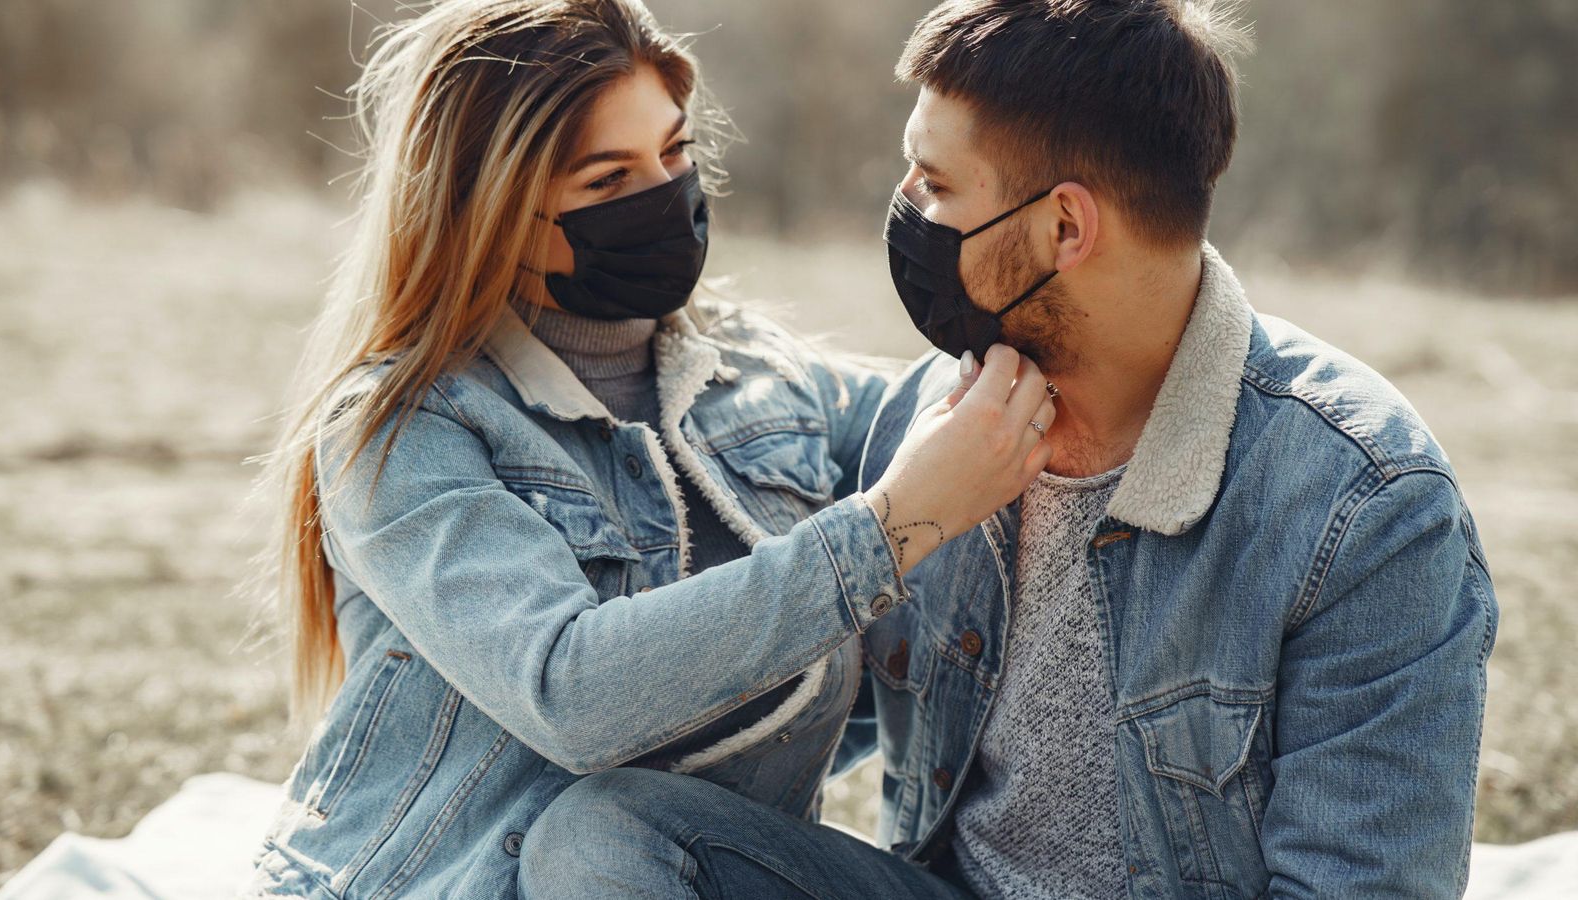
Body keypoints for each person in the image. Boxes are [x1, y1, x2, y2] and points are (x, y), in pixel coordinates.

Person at [516, 1, 1501, 898]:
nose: (900, 201)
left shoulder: (1363, 506)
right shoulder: (931, 426)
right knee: (607, 834)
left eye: (934, 183)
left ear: (1065, 225)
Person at [238, 0, 1058, 896]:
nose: (662, 196)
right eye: (606, 181)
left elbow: (944, 412)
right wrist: (888, 530)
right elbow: (571, 693)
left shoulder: (761, 377)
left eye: (675, 153)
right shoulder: (404, 429)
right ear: (495, 210)